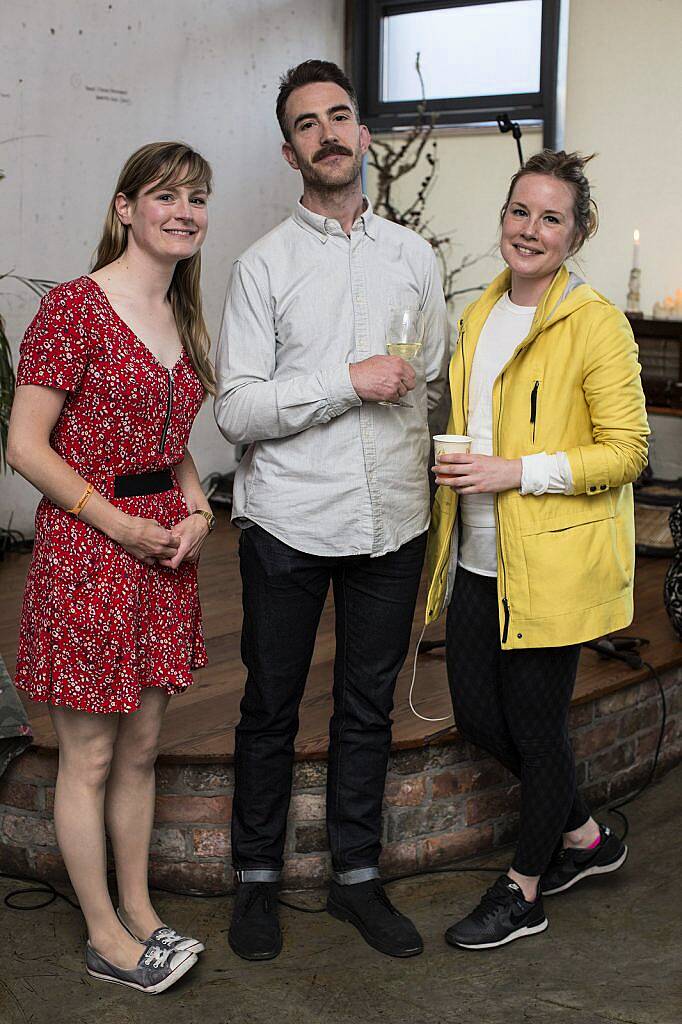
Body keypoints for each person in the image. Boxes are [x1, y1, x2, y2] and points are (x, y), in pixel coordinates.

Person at [215, 59, 448, 960]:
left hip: (392, 518)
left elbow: (428, 371)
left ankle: (358, 877)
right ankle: (257, 881)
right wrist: (345, 384)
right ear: (289, 150)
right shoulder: (260, 266)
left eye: (340, 115)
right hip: (288, 523)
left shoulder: (414, 258)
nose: (328, 133)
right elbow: (236, 407)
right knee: (271, 707)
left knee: (366, 707)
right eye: (307, 123)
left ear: (363, 132)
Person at [426, 149, 649, 950]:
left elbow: (628, 451)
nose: (531, 229)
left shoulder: (597, 322)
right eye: (521, 211)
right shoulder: (481, 309)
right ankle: (585, 836)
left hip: (550, 563)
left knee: (539, 726)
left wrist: (514, 471)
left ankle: (525, 889)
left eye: (551, 217)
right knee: (482, 719)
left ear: (576, 232)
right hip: (479, 556)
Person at [8, 141, 217, 992]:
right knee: (88, 757)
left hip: (164, 550)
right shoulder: (74, 308)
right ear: (125, 207)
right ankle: (102, 934)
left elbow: (174, 453)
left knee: (142, 750)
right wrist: (117, 525)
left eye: (198, 198)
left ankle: (140, 909)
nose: (184, 211)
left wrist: (200, 508)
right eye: (165, 195)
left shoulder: (185, 316)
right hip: (91, 551)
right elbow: (24, 446)